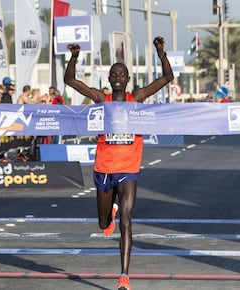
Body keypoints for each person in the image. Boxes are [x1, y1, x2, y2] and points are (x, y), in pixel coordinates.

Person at [64, 36, 174, 290]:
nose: (117, 77)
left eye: (121, 74)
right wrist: (74, 56)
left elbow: (167, 78)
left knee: (127, 218)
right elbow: (70, 81)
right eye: (113, 74)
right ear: (109, 79)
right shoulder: (102, 99)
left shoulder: (137, 97)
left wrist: (160, 52)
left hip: (128, 169)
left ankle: (124, 276)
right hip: (104, 168)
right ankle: (108, 213)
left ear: (127, 80)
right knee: (104, 225)